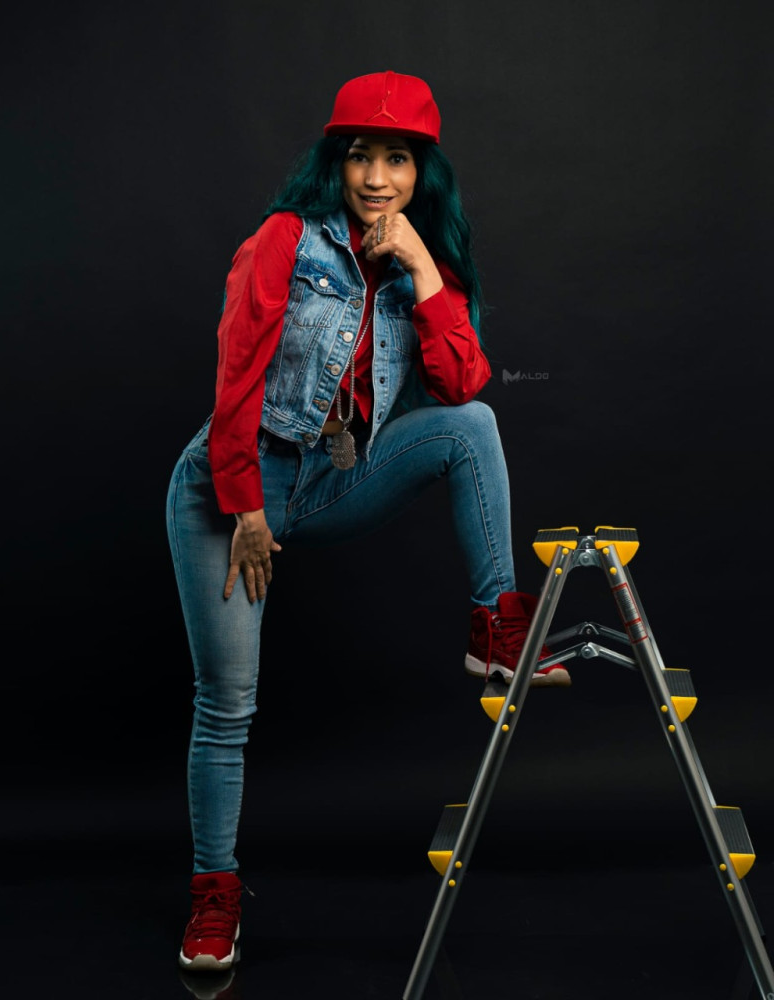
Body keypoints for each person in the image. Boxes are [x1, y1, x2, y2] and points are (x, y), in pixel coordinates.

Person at [166, 69, 570, 973]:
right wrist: (245, 506)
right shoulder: (284, 238)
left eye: (398, 159)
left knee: (472, 426)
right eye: (360, 156)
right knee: (228, 702)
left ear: (423, 172)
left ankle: (495, 625)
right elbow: (236, 376)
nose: (377, 178)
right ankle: (213, 894)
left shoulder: (420, 257)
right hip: (229, 490)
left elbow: (461, 383)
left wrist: (423, 270)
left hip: (328, 482)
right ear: (335, 164)